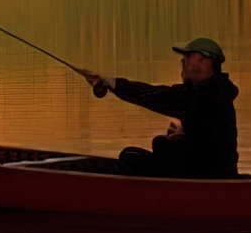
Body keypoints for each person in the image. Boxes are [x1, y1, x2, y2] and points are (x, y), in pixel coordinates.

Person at [81, 38, 238, 178]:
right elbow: (208, 134)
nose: (183, 63)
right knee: (156, 146)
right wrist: (184, 132)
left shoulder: (205, 95)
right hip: (213, 170)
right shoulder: (215, 91)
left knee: (129, 156)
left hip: (205, 175)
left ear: (202, 61)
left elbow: (157, 96)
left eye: (186, 58)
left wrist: (114, 84)